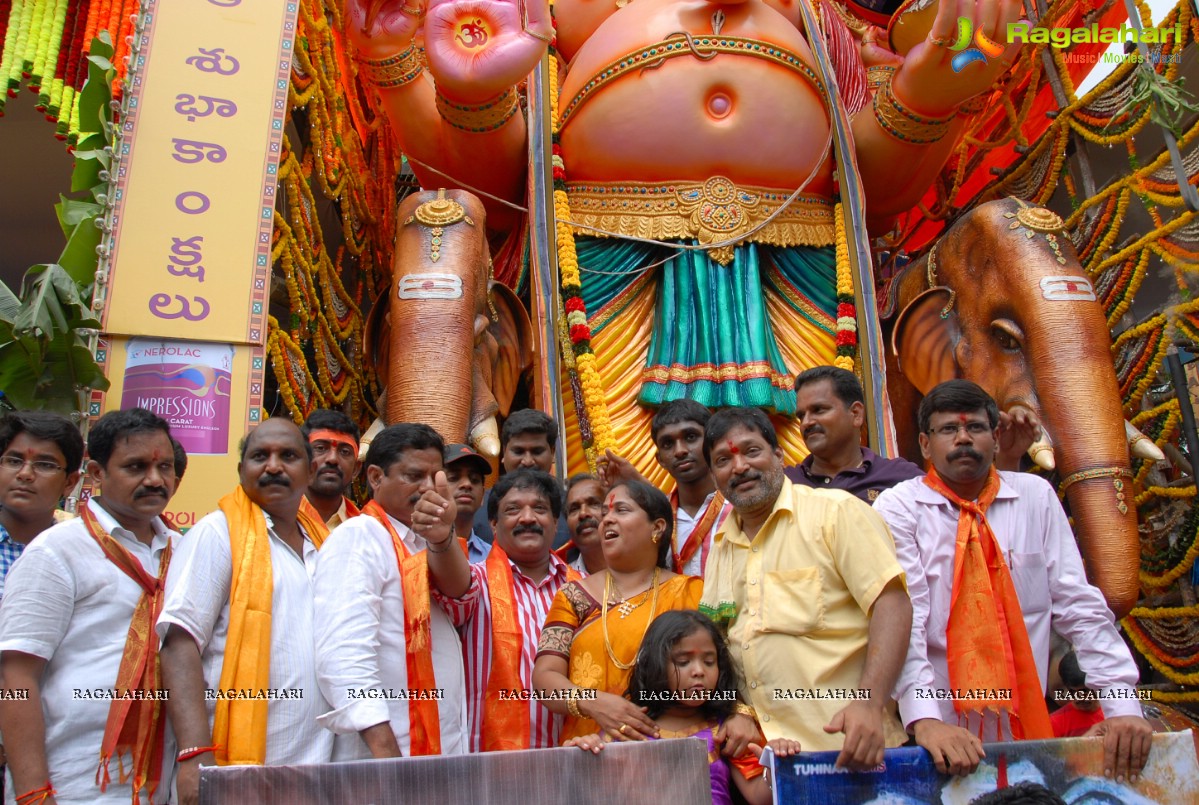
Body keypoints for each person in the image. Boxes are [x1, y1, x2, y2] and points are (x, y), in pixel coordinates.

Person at [875, 380, 1152, 781]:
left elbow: (1079, 605)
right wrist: (924, 720)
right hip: (942, 730)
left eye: (976, 429)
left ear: (996, 436)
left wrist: (1123, 705)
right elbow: (907, 618)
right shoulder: (899, 506)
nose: (964, 439)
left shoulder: (1035, 496)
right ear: (924, 443)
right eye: (949, 429)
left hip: (1030, 718)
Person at [700, 406, 912, 769]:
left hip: (850, 749)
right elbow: (724, 643)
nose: (739, 467)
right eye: (723, 460)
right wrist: (738, 710)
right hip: (774, 762)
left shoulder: (835, 513)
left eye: (752, 451)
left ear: (779, 455)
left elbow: (891, 605)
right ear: (715, 476)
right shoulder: (721, 544)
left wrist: (869, 702)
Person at [0, 408, 178, 804]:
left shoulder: (183, 553)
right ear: (96, 474)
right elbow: (14, 681)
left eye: (164, 466)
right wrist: (33, 793)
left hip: (156, 785)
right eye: (135, 467)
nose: (154, 479)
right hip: (70, 785)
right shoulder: (56, 551)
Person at [159, 418, 333, 805]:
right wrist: (193, 755)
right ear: (241, 471)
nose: (273, 466)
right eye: (260, 456)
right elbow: (178, 643)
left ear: (311, 470)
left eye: (288, 456)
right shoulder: (217, 533)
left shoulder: (324, 545)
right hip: (233, 770)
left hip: (316, 769)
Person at [312, 423, 468, 759]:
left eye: (436, 476)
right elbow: (344, 654)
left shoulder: (426, 543)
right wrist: (386, 754)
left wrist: (442, 537)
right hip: (388, 754)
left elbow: (461, 595)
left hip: (437, 753)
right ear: (375, 477)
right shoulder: (359, 537)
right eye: (414, 475)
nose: (428, 488)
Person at [532, 480, 709, 744]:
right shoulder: (574, 596)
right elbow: (545, 678)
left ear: (658, 528)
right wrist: (595, 703)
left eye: (621, 511)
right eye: (605, 515)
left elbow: (719, 676)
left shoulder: (692, 593)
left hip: (671, 750)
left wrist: (739, 713)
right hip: (590, 750)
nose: (606, 521)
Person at [416, 468, 580, 750]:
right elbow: (455, 585)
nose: (527, 518)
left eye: (539, 509)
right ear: (493, 525)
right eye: (513, 509)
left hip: (576, 755)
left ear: (555, 522)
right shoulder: (476, 579)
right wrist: (442, 539)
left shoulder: (585, 589)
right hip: (490, 762)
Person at [565, 610, 800, 805]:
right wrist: (581, 756)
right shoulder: (628, 730)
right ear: (656, 665)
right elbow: (591, 792)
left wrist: (777, 763)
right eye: (684, 662)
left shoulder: (725, 731)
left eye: (709, 661)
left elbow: (760, 797)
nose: (699, 671)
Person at [602, 400, 731, 576]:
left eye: (690, 437)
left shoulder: (740, 507)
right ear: (660, 459)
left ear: (711, 444)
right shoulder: (653, 518)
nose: (680, 451)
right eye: (668, 444)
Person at [787, 366, 923, 502]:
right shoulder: (786, 484)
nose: (806, 422)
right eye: (801, 416)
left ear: (856, 413)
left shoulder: (901, 478)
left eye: (819, 410)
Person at [0, 412, 84, 600]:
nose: (25, 474)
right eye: (14, 461)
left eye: (45, 465)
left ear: (70, 482)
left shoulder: (81, 556)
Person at [472, 409, 570, 548]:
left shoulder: (573, 507)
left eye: (537, 451)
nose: (528, 461)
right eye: (519, 451)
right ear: (504, 452)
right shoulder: (477, 506)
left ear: (552, 452)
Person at [301, 409, 362, 529]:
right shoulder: (276, 520)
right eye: (320, 448)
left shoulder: (365, 532)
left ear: (356, 469)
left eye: (344, 451)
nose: (332, 459)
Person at [443, 443, 492, 564]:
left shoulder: (493, 558)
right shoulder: (413, 548)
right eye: (453, 477)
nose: (467, 484)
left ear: (482, 497)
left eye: (474, 479)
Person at [557, 473, 606, 576]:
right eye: (574, 509)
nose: (583, 513)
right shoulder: (562, 581)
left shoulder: (643, 568)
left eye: (594, 504)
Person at [1050, 651, 1105, 738]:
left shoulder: (1116, 714)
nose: (1081, 698)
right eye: (1074, 692)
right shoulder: (1054, 722)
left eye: (1086, 691)